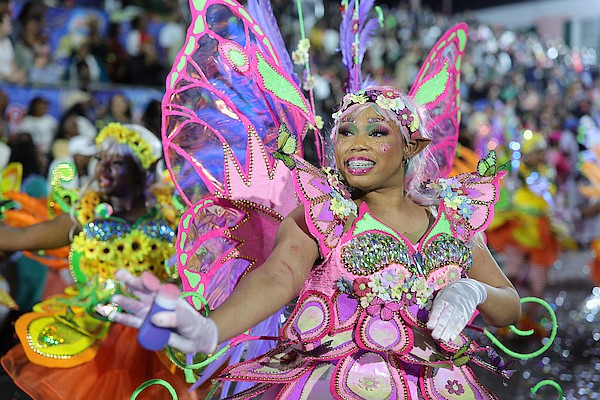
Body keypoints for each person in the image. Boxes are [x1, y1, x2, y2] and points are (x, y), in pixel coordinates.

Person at [111, 86, 521, 399]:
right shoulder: (325, 212)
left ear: (411, 146)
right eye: (345, 132)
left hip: (436, 385)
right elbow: (277, 277)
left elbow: (510, 306)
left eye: (377, 131)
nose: (356, 143)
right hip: (337, 384)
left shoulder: (454, 217)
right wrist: (210, 329)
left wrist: (473, 289)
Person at [0, 122, 192, 400]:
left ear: (143, 169)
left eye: (116, 163)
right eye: (101, 159)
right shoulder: (85, 217)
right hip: (88, 337)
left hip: (149, 344)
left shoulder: (174, 223)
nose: (102, 169)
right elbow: (22, 237)